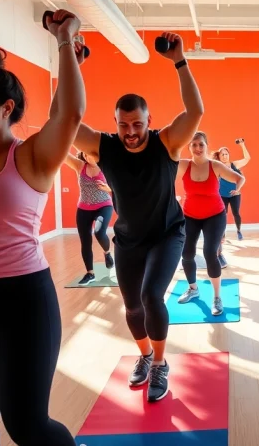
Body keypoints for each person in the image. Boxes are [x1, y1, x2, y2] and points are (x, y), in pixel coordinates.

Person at [0, 10, 84, 445]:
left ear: (6, 108)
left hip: (22, 299)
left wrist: (64, 41)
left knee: (26, 424)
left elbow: (70, 113)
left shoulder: (30, 157)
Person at [72, 32, 203, 402]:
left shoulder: (168, 143)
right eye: (123, 125)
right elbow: (63, 120)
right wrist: (73, 65)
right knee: (130, 306)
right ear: (115, 122)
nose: (130, 133)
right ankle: (145, 356)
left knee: (150, 296)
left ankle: (161, 363)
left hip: (167, 233)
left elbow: (195, 112)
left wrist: (180, 61)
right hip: (128, 237)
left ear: (149, 121)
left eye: (137, 124)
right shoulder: (104, 146)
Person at [177, 132, 244, 315]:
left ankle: (217, 297)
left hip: (214, 215)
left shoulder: (216, 166)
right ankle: (193, 289)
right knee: (187, 253)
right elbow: (163, 175)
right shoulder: (183, 165)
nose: (198, 148)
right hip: (190, 215)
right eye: (194, 145)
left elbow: (240, 178)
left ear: (207, 146)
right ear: (189, 147)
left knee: (209, 252)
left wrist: (237, 190)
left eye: (201, 145)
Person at [64, 150, 114, 285]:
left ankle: (107, 252)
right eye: (85, 154)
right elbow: (63, 153)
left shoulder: (107, 166)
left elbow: (119, 187)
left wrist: (108, 189)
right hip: (83, 208)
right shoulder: (80, 166)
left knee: (99, 232)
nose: (87, 157)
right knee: (85, 241)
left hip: (104, 205)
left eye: (89, 154)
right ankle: (90, 273)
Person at [212, 138, 249, 243]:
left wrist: (242, 145)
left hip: (235, 193)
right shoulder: (217, 166)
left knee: (236, 213)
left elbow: (247, 158)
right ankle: (222, 235)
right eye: (222, 154)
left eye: (226, 154)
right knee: (223, 214)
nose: (225, 156)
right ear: (219, 156)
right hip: (221, 195)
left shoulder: (234, 165)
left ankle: (238, 230)